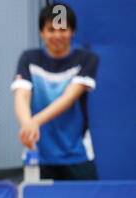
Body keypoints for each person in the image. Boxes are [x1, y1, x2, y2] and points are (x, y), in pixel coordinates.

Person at [11, 3, 100, 180]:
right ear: (41, 33)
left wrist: (34, 121)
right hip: (38, 156)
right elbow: (22, 95)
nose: (57, 35)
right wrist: (27, 124)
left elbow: (68, 98)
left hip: (77, 155)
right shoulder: (29, 58)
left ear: (72, 31)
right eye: (51, 30)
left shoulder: (87, 59)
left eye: (63, 30)